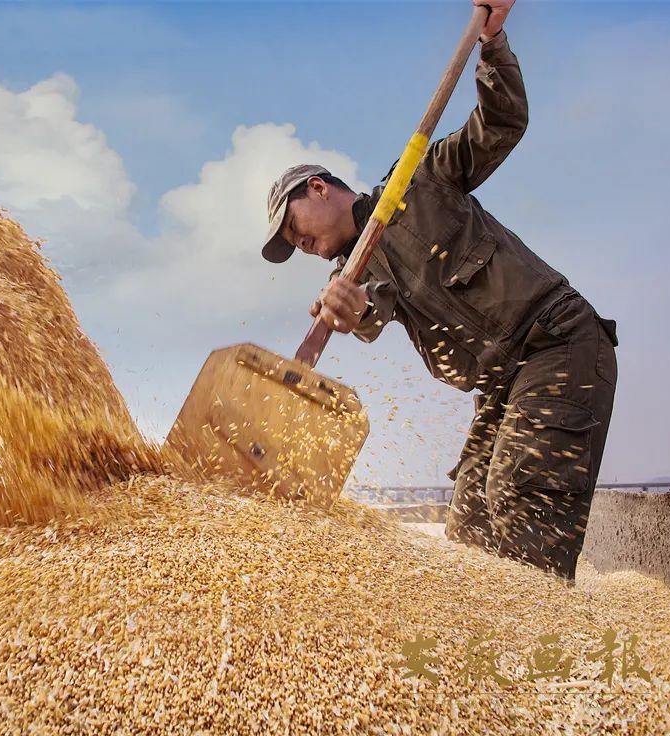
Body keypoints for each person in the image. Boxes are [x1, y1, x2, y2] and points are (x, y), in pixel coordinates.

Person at [259, 0, 617, 580]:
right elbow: (365, 313)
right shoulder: (349, 276)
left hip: (556, 342)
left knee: (520, 492)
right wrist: (347, 312)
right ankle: (496, 649)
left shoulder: (421, 181)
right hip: (501, 384)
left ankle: (548, 646)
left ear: (319, 189)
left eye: (290, 225)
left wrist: (493, 43)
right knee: (471, 522)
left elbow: (502, 125)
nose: (293, 241)